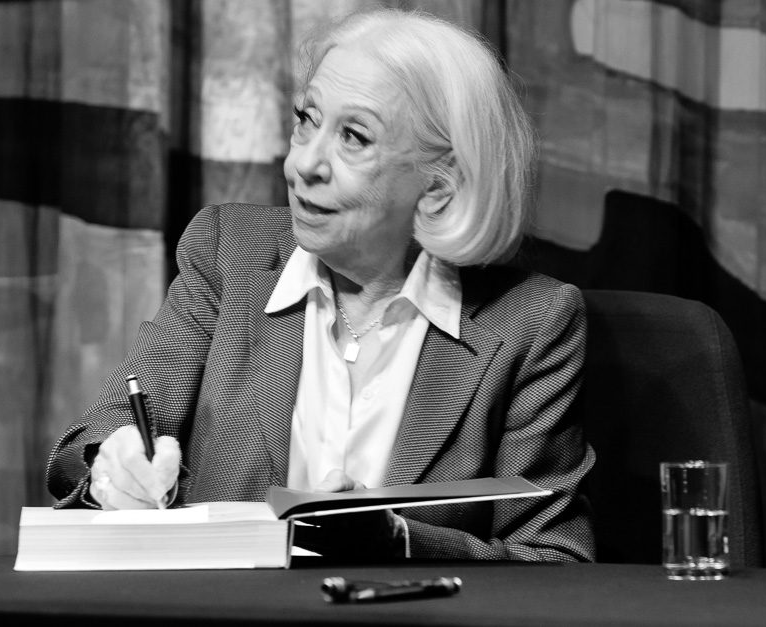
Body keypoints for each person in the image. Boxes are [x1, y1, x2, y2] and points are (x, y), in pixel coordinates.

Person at [45, 8, 595, 561]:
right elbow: (94, 439)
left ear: (440, 184)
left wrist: (399, 540)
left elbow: (555, 558)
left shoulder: (531, 322)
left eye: (353, 137)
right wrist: (112, 468)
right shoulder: (228, 254)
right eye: (306, 120)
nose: (303, 163)